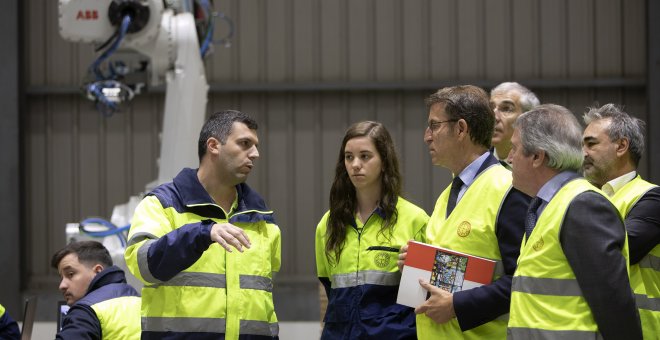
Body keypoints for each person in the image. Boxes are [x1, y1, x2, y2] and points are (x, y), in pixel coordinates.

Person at [125, 110, 281, 339]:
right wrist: (201, 233)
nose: (255, 154)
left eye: (256, 146)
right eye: (245, 144)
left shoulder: (262, 219)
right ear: (213, 146)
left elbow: (265, 300)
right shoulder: (162, 204)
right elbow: (145, 267)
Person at [399, 85, 530, 339]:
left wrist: (457, 305)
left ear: (461, 129)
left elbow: (525, 280)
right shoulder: (446, 196)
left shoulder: (508, 190)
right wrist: (417, 265)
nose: (427, 136)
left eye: (434, 125)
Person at [506, 104, 642, 339]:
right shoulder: (544, 206)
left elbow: (613, 303)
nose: (508, 158)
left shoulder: (582, 205)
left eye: (514, 149)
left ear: (538, 156)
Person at [315, 121, 429, 339]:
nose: (355, 164)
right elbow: (329, 288)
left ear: (384, 161)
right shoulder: (328, 225)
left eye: (365, 156)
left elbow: (424, 297)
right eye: (349, 157)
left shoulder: (416, 220)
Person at [582, 104, 660, 339]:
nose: (583, 152)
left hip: (641, 331)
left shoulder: (651, 198)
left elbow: (614, 251)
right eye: (582, 144)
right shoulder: (582, 196)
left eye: (591, 143)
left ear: (622, 146)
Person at [51, 240, 141, 339]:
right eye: (61, 278)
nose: (62, 285)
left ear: (98, 271)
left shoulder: (85, 312)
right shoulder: (138, 299)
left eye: (71, 274)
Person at [489, 82, 540, 165]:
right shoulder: (476, 166)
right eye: (491, 108)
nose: (494, 117)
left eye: (506, 109)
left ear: (528, 119)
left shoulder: (541, 167)